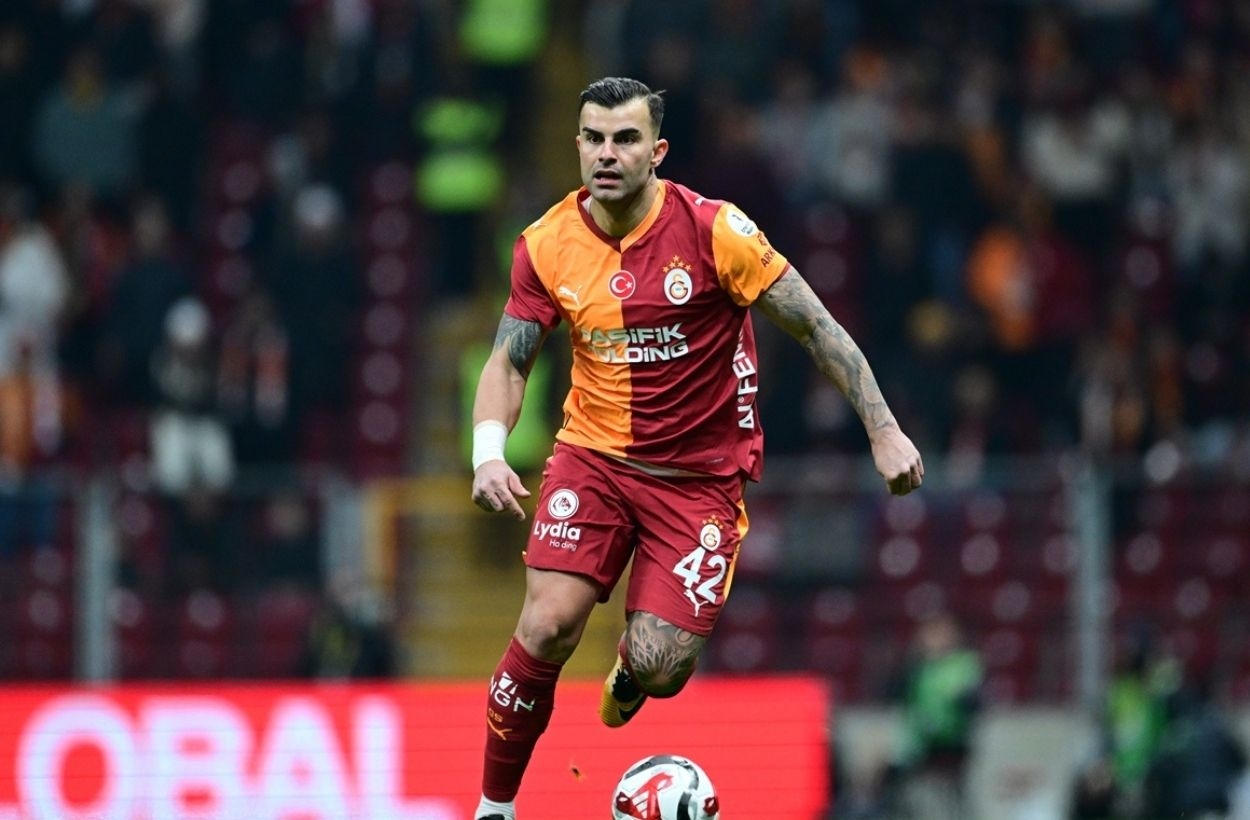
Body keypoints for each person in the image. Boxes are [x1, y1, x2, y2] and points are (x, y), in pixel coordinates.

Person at [467, 77, 923, 820]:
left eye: (625, 139)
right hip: (594, 458)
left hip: (698, 480)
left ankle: (632, 673)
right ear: (577, 145)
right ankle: (495, 807)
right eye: (594, 139)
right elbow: (508, 362)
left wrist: (884, 429)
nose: (607, 154)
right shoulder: (545, 244)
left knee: (661, 668)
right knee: (547, 624)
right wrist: (490, 451)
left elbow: (816, 327)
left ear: (658, 151)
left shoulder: (718, 233)